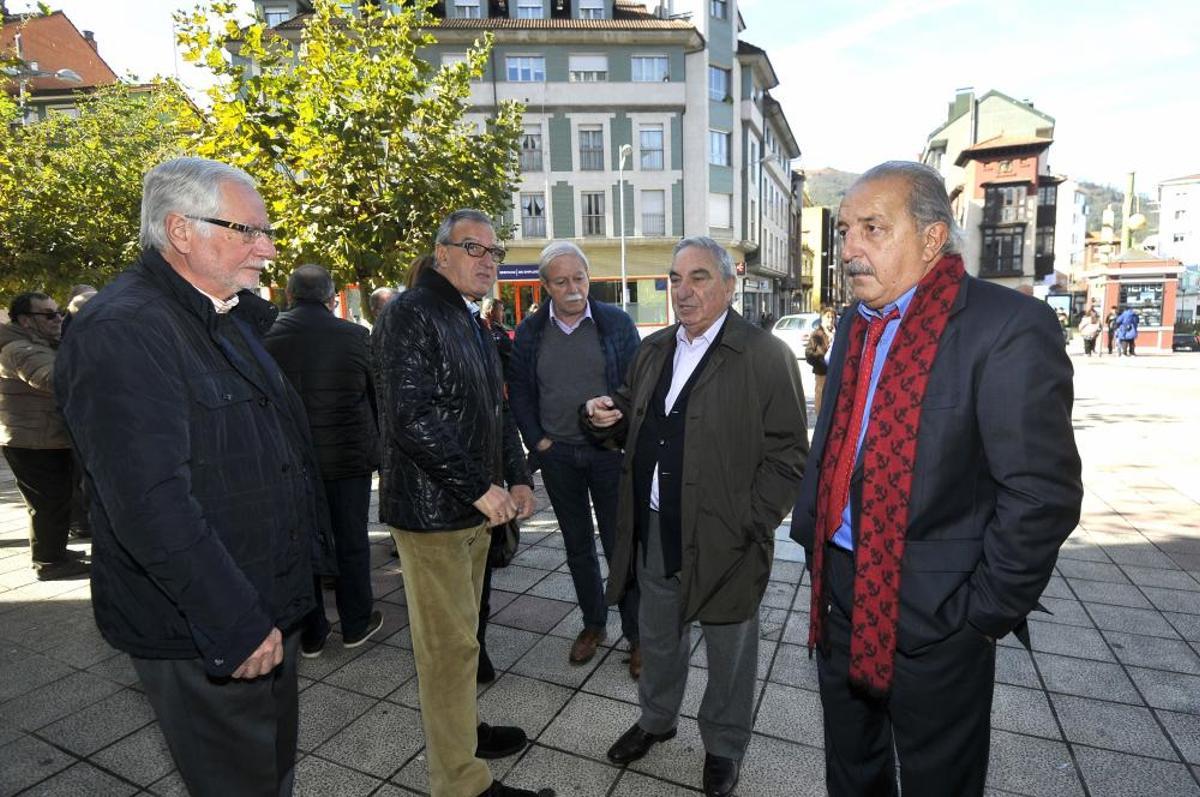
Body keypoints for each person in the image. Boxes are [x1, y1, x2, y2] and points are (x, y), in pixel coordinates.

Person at [791, 161, 1082, 797]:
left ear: (930, 239)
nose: (850, 250)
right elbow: (838, 441)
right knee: (851, 767)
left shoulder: (1005, 326)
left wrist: (979, 616)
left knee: (937, 782)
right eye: (845, 231)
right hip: (837, 590)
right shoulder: (852, 326)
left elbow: (1042, 493)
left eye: (873, 228)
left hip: (936, 610)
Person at [54, 157, 335, 795]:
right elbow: (149, 504)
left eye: (267, 232)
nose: (267, 249)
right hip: (207, 626)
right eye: (248, 231)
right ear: (181, 231)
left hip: (263, 606)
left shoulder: (220, 314)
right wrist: (234, 620)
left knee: (270, 775)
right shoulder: (125, 329)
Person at [585, 236, 808, 797]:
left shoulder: (763, 355)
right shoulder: (655, 349)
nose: (684, 291)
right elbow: (635, 421)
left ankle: (723, 748)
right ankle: (656, 721)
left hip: (728, 536)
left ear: (730, 285)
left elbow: (789, 455)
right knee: (659, 636)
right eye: (675, 279)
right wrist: (604, 416)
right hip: (658, 527)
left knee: (730, 650)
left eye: (699, 278)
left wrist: (752, 522)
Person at [373, 208, 553, 797]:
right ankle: (460, 782)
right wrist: (480, 487)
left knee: (464, 641)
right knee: (448, 649)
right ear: (441, 253)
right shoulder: (409, 314)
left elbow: (495, 411)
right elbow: (409, 416)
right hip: (433, 516)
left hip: (473, 512)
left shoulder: (470, 321)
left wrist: (519, 476)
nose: (488, 261)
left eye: (495, 252)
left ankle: (463, 735)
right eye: (473, 248)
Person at [508, 240, 642, 676]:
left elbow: (639, 384)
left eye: (579, 278)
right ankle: (593, 624)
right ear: (545, 285)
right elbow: (521, 395)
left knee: (619, 544)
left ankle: (637, 634)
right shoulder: (529, 333)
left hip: (609, 455)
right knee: (577, 545)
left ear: (589, 278)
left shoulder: (616, 323)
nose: (572, 288)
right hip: (559, 456)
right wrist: (539, 444)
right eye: (561, 280)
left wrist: (619, 414)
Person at [264, 264, 384, 658]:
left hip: (292, 462)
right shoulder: (355, 336)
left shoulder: (267, 337)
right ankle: (356, 621)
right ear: (331, 297)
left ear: (288, 295)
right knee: (351, 541)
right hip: (348, 459)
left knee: (302, 545)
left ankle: (312, 631)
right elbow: (375, 398)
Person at [1, 291, 90, 581]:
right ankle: (50, 563)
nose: (58, 319)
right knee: (47, 503)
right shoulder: (18, 349)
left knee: (58, 499)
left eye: (59, 313)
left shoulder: (40, 343)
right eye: (49, 315)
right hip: (33, 441)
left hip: (44, 436)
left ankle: (55, 551)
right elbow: (53, 378)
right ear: (26, 320)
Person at [805, 306, 837, 417]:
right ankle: (820, 420)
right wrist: (820, 363)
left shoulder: (839, 333)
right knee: (820, 397)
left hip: (836, 373)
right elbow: (809, 354)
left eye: (833, 317)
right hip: (822, 373)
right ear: (822, 318)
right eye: (828, 317)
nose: (831, 320)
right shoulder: (817, 334)